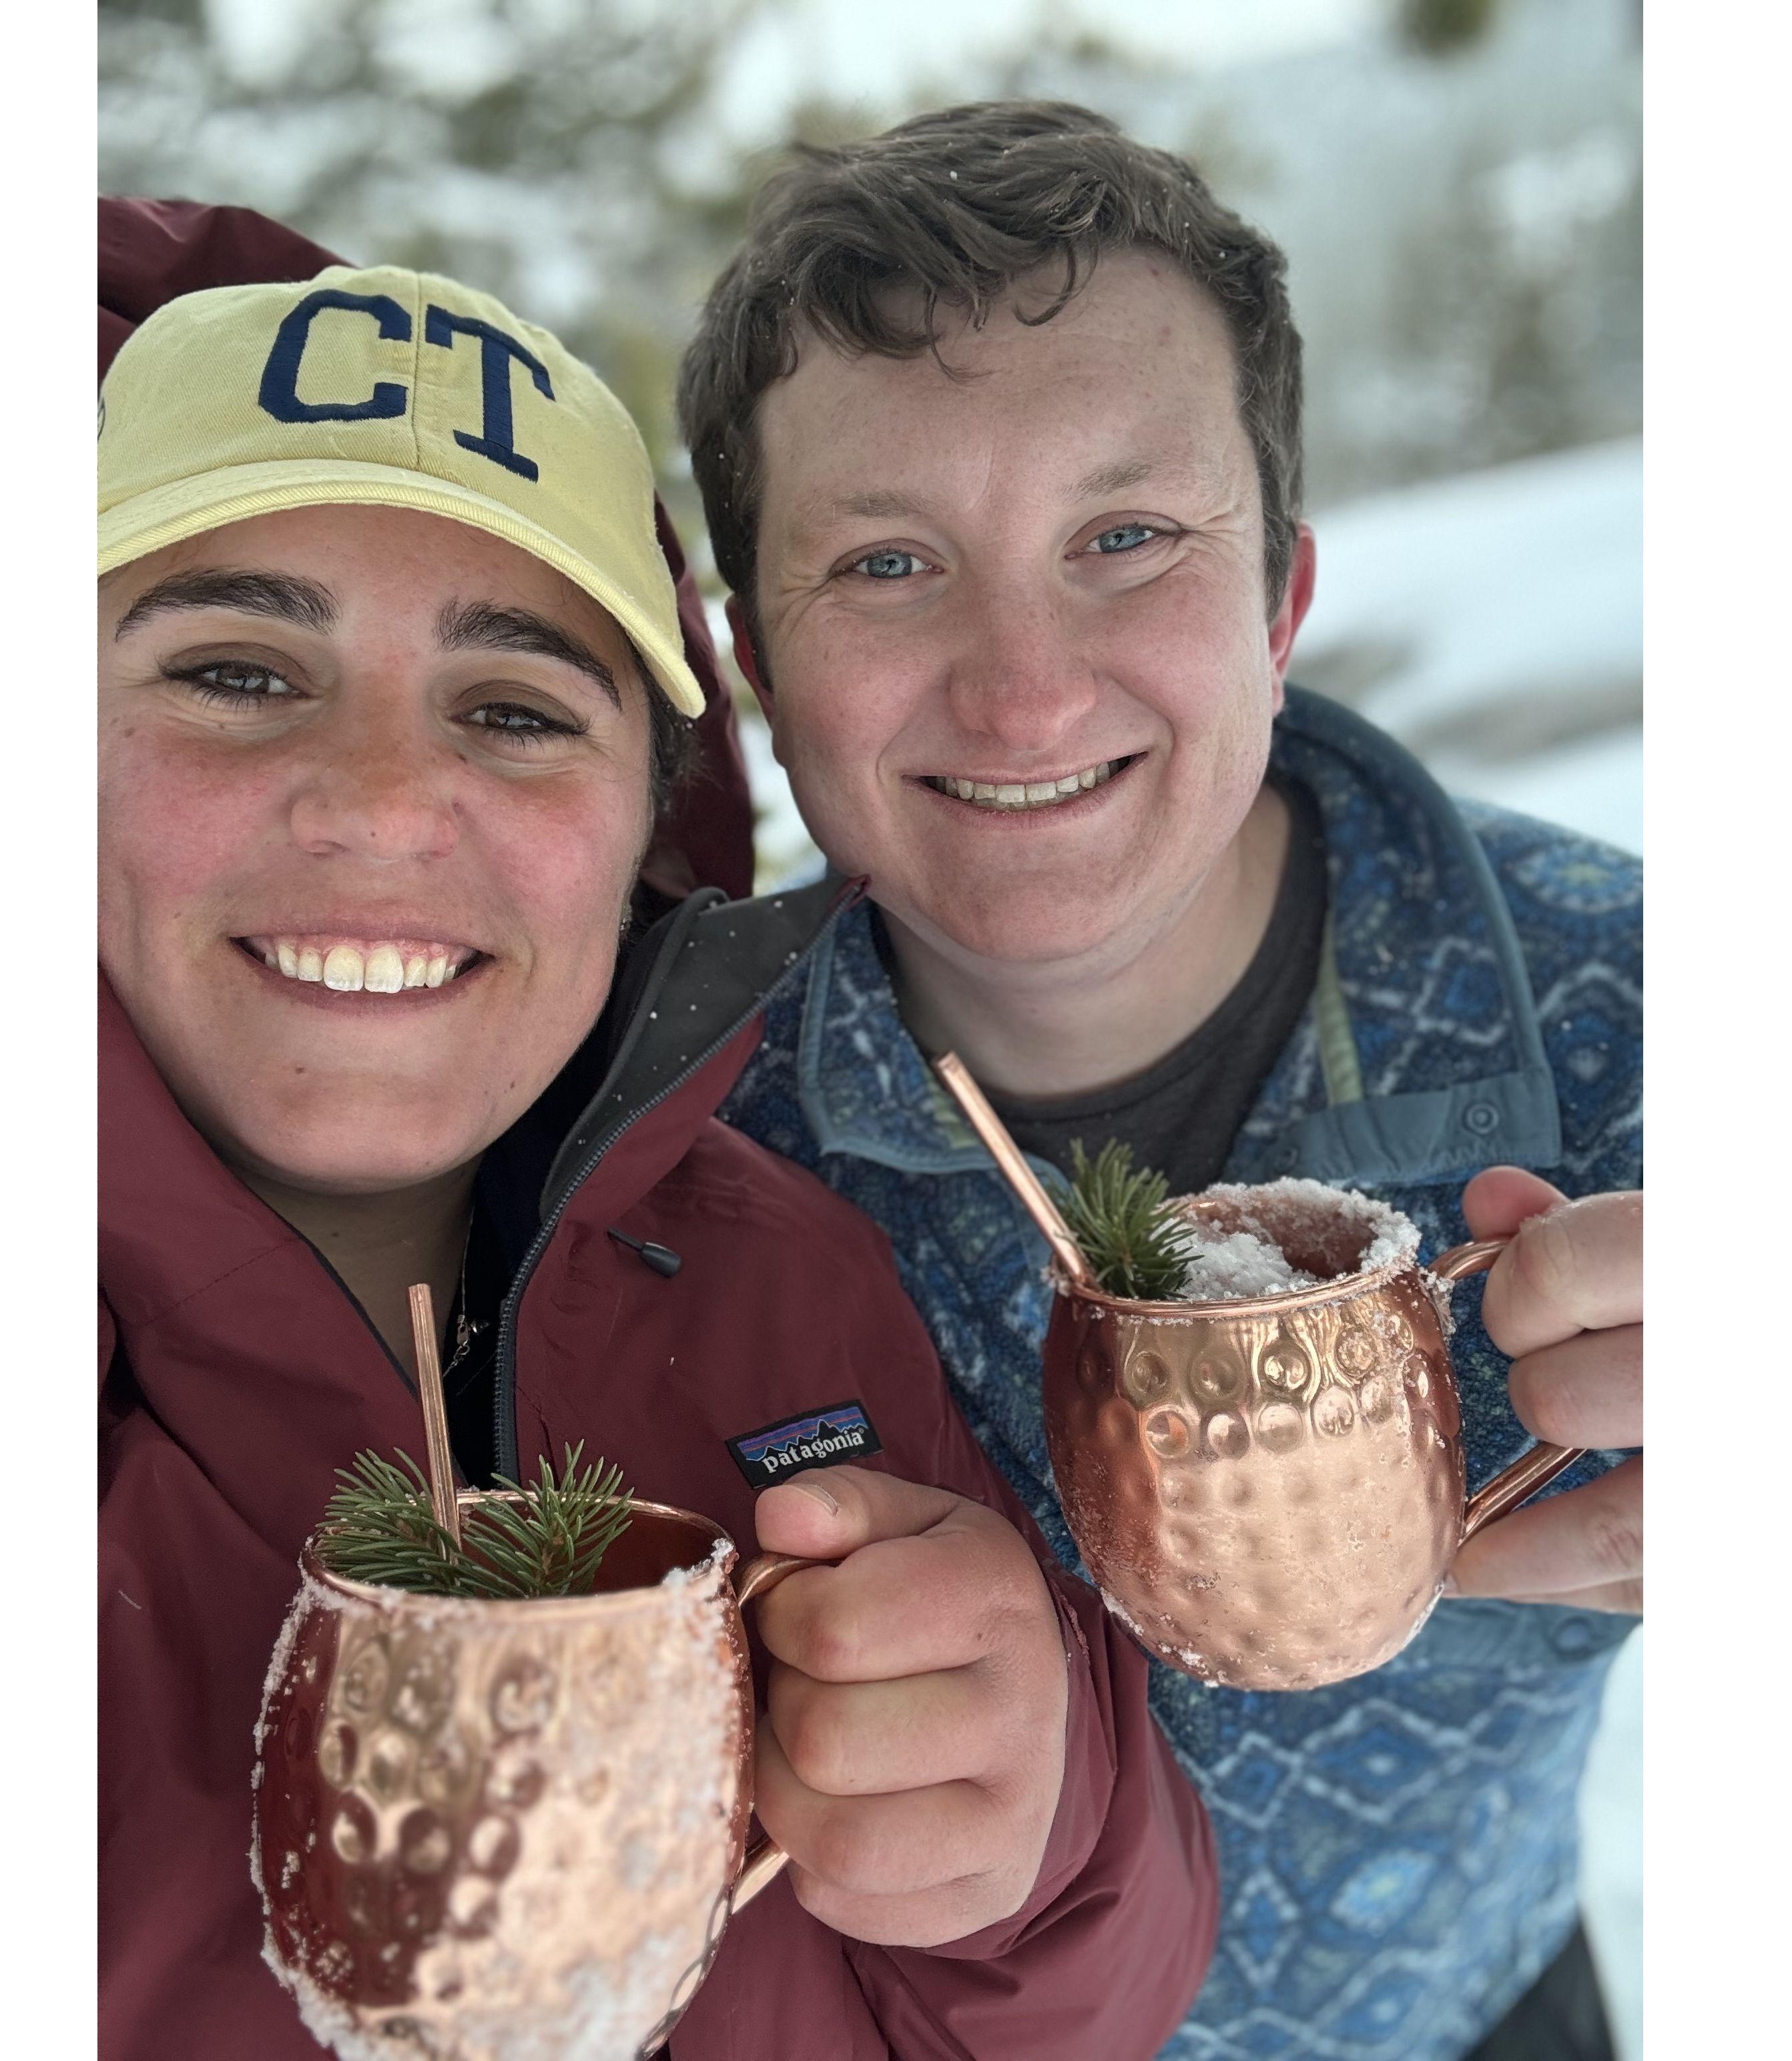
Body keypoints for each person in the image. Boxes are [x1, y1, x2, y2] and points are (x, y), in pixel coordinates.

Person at [97, 257, 1217, 2058]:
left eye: (519, 709)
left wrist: (1042, 1825)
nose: (386, 798)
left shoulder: (783, 1273)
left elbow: (1055, 2006)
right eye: (237, 671)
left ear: (648, 825)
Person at [676, 101, 1643, 2061]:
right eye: (886, 561)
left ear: (1279, 596)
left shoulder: (1638, 1004)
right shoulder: (662, 1131)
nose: (1025, 688)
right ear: (764, 672)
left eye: (1127, 538)